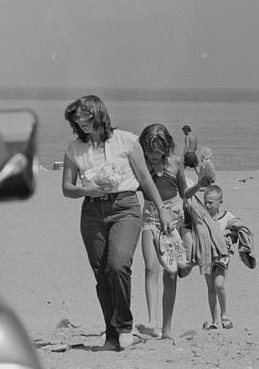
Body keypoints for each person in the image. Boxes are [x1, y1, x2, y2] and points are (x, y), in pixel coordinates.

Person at [61, 95, 173, 351]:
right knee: (101, 275)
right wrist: (85, 191)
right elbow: (67, 188)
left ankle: (124, 325)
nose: (81, 121)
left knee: (118, 265)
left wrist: (162, 209)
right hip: (92, 212)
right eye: (77, 118)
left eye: (85, 115)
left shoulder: (127, 140)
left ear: (98, 113)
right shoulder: (74, 149)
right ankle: (112, 337)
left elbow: (145, 179)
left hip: (125, 207)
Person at [137, 123, 193, 341]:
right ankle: (152, 322)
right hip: (150, 216)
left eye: (157, 153)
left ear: (166, 148)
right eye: (149, 152)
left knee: (171, 273)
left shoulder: (176, 163)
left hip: (173, 218)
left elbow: (184, 192)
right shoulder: (140, 165)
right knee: (151, 268)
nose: (152, 157)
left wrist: (200, 186)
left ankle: (167, 328)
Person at [188, 183, 236, 330]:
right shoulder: (202, 216)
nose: (207, 205)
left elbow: (236, 233)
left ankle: (225, 314)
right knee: (210, 288)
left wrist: (228, 235)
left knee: (219, 284)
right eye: (206, 202)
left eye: (211, 203)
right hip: (206, 255)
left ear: (220, 202)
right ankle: (215, 320)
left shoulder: (228, 217)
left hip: (222, 256)